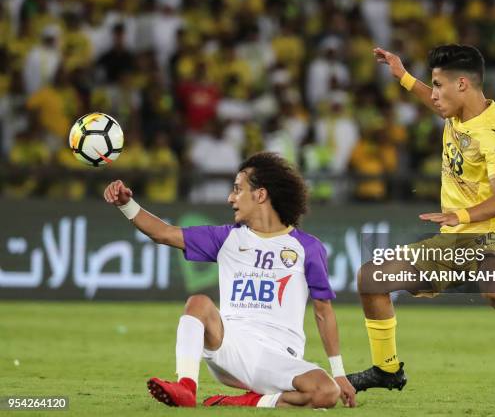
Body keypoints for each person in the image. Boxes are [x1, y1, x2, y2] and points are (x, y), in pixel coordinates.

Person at [345, 45, 495, 399]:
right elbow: (435, 101)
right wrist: (403, 76)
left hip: (491, 235)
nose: (434, 94)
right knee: (371, 277)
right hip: (453, 240)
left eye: (438, 85)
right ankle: (387, 369)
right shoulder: (456, 111)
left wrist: (459, 215)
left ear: (462, 84)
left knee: (494, 288)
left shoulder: (493, 134)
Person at [103, 152, 356, 408]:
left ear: (260, 195)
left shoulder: (307, 248)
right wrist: (127, 205)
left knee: (326, 393)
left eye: (237, 190)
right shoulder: (226, 238)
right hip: (230, 344)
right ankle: (186, 387)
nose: (230, 198)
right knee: (199, 303)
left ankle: (252, 402)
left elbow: (323, 311)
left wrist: (339, 373)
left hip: (280, 358)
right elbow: (164, 234)